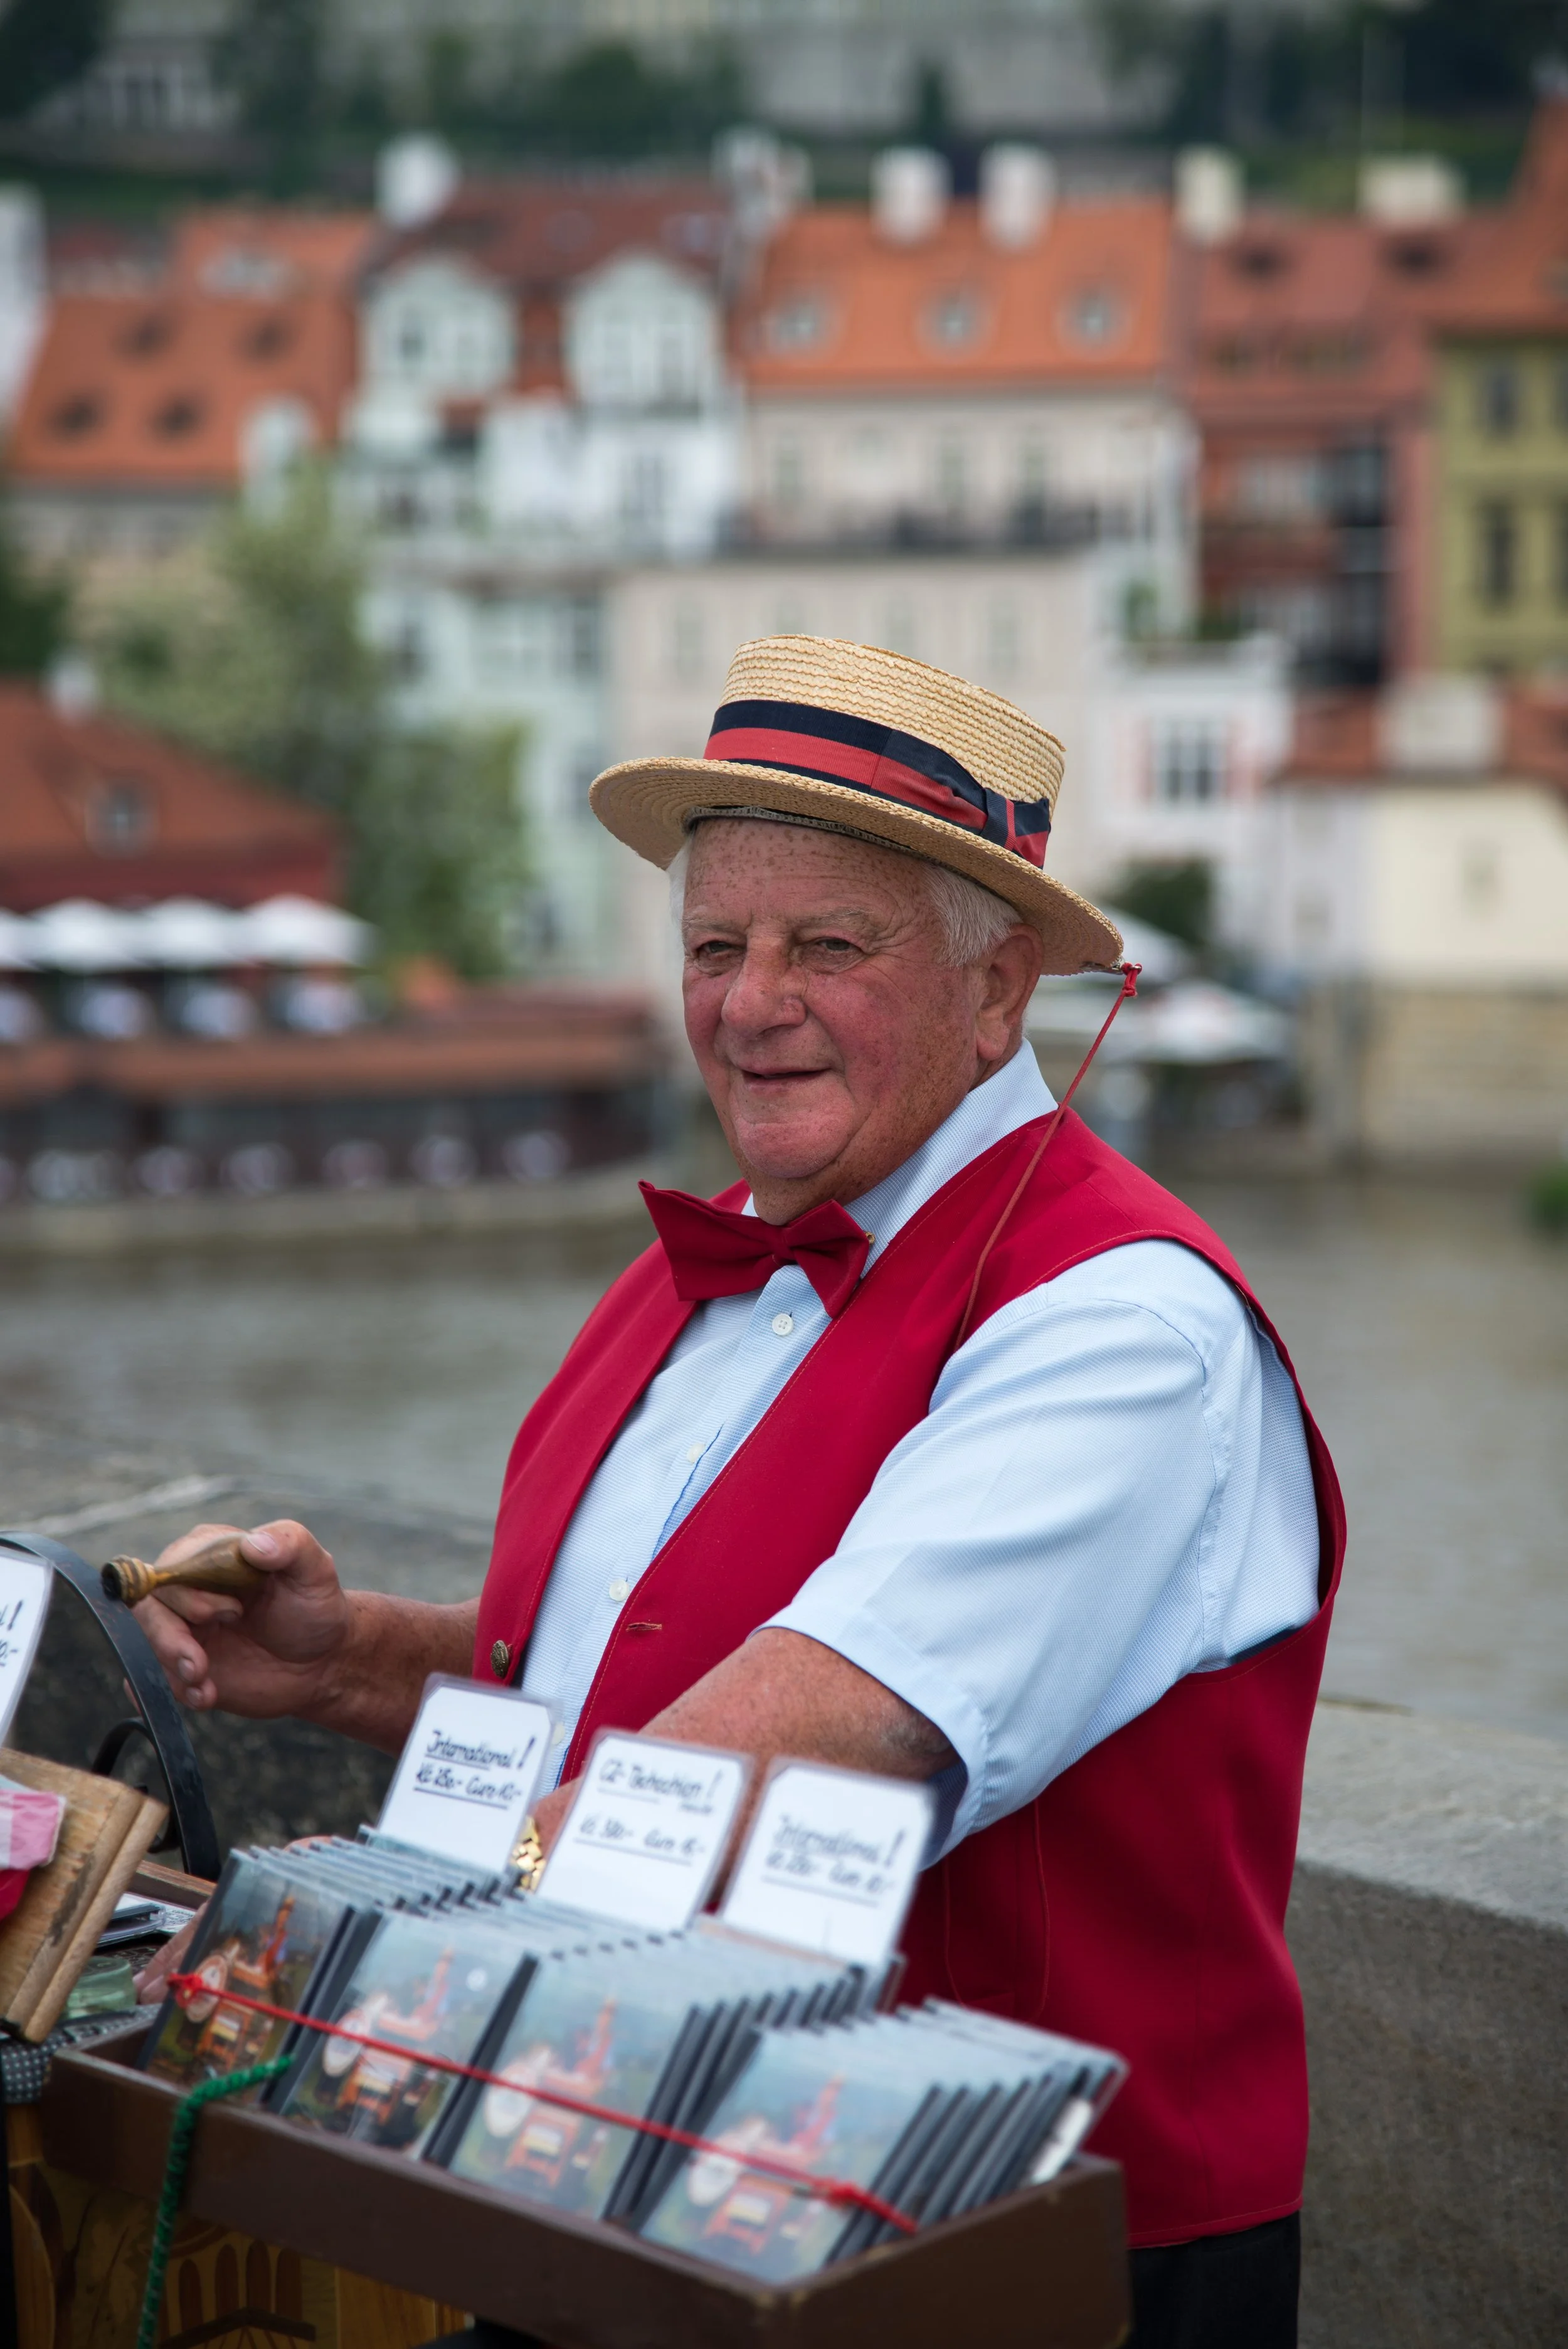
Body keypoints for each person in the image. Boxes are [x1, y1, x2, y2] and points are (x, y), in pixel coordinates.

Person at [137, 637, 1343, 2349]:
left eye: (825, 948)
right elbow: (612, 1694)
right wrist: (351, 1669)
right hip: (633, 2187)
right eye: (715, 946)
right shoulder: (697, 1273)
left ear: (998, 989)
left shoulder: (1122, 1321)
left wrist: (385, 1976)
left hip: (1003, 2254)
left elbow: (815, 1721)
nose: (747, 1001)